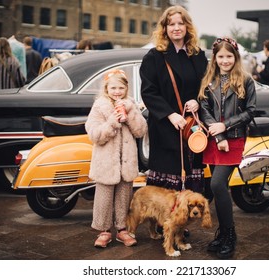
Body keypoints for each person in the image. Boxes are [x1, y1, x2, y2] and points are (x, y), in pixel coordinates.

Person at [140, 5, 208, 195]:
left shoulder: (198, 55)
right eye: (171, 24)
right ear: (165, 28)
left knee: (190, 178)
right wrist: (170, 114)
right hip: (165, 128)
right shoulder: (154, 57)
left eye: (180, 23)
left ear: (187, 27)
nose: (176, 28)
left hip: (192, 126)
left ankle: (182, 223)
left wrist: (197, 101)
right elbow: (148, 92)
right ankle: (164, 224)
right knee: (167, 184)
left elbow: (207, 87)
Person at [198, 37, 256, 259]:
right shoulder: (209, 80)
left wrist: (226, 126)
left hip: (234, 139)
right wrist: (219, 133)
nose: (225, 60)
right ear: (215, 58)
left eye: (229, 56)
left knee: (217, 184)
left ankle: (230, 234)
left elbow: (250, 111)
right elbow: (204, 109)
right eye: (221, 56)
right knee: (216, 187)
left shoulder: (245, 80)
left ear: (236, 57)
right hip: (214, 139)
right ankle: (222, 233)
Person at [85, 69, 147, 248]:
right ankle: (104, 231)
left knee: (124, 196)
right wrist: (113, 121)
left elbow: (141, 130)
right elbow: (94, 135)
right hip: (106, 162)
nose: (117, 91)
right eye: (113, 87)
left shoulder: (131, 104)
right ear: (106, 88)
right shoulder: (99, 106)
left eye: (121, 87)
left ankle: (122, 229)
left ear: (126, 88)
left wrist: (129, 116)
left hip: (126, 162)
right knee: (103, 197)